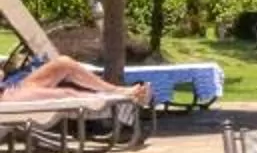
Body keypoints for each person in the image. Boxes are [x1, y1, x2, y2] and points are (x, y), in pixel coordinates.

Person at [2, 55, 150, 104]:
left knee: (64, 63)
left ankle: (117, 90)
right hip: (5, 98)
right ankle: (124, 96)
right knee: (67, 94)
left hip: (10, 87)